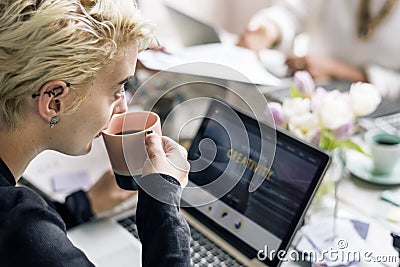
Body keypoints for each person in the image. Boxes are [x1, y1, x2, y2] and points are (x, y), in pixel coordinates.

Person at [0, 0, 191, 266]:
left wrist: (82, 206)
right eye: (118, 88)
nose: (123, 106)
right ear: (54, 101)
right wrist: (162, 200)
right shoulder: (21, 228)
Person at [237, 0, 400, 100]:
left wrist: (340, 71)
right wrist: (269, 29)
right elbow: (292, 11)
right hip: (312, 97)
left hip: (378, 124)